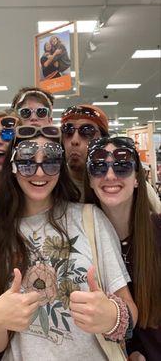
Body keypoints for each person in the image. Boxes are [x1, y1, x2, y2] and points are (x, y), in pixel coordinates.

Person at [0, 125, 137, 360]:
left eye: (50, 162)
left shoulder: (90, 218)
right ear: (13, 166)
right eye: (27, 162)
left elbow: (129, 307)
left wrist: (113, 316)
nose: (39, 173)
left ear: (60, 168)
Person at [84, 136, 161, 361]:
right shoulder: (82, 242)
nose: (110, 175)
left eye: (122, 166)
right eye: (98, 167)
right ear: (89, 180)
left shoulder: (157, 230)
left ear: (137, 178)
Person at [61, 104, 161, 211]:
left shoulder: (128, 185)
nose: (74, 140)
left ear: (103, 141)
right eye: (68, 131)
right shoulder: (54, 185)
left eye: (87, 132)